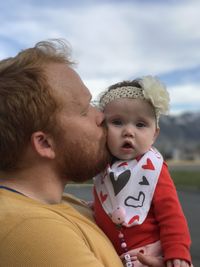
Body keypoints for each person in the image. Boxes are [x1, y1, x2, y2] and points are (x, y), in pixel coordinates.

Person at [0, 39, 166, 266]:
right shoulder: (33, 230)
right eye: (84, 109)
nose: (101, 117)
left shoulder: (65, 203)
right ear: (45, 143)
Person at [93, 77, 192, 267]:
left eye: (140, 125)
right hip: (113, 257)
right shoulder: (103, 168)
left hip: (148, 255)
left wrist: (177, 250)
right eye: (117, 122)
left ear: (154, 134)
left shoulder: (153, 169)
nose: (128, 131)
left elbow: (171, 214)